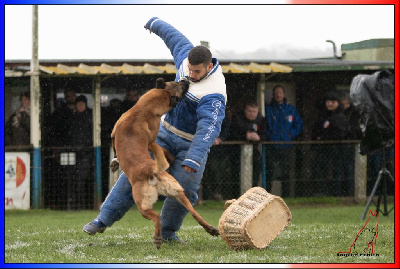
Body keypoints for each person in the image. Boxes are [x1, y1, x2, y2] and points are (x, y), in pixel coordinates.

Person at [83, 17, 227, 243]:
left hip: (190, 145)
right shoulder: (187, 58)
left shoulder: (214, 93)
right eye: (189, 69)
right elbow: (174, 39)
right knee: (135, 173)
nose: (190, 74)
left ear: (210, 67)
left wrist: (195, 158)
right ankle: (102, 219)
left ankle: (168, 233)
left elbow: (208, 129)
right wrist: (154, 23)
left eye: (196, 71)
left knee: (185, 190)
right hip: (164, 134)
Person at [265, 85, 303, 197]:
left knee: (286, 172)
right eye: (276, 92)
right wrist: (270, 135)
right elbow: (264, 126)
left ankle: (286, 197)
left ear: (284, 94)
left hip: (287, 146)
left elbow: (299, 124)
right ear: (273, 95)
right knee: (269, 172)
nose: (278, 94)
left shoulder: (291, 109)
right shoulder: (268, 109)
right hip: (272, 146)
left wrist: (291, 134)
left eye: (280, 92)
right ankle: (266, 197)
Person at [312, 91, 347, 196]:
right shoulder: (322, 115)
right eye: (328, 101)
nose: (330, 104)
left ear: (337, 103)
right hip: (323, 149)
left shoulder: (340, 116)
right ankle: (322, 192)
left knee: (337, 171)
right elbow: (316, 130)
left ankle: (337, 193)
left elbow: (340, 133)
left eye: (332, 101)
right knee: (321, 170)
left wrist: (324, 137)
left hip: (337, 149)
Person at [229, 99, 266, 187]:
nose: (251, 113)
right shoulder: (237, 119)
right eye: (249, 111)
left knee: (256, 170)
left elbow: (267, 135)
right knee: (236, 172)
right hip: (237, 151)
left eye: (254, 111)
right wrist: (245, 136)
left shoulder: (261, 120)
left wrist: (259, 137)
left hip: (255, 150)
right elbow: (232, 133)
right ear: (245, 110)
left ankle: (253, 192)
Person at [68, 95, 93, 209]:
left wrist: (84, 147)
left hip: (85, 153)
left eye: (82, 104)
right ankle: (73, 205)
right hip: (74, 153)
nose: (80, 106)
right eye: (78, 104)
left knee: (82, 180)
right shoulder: (71, 119)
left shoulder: (90, 118)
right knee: (72, 179)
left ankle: (82, 204)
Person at [201, 116, 231, 201]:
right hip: (205, 149)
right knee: (206, 172)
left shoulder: (223, 115)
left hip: (219, 151)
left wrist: (221, 138)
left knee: (218, 172)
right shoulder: (206, 113)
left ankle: (216, 193)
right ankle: (205, 196)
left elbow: (227, 128)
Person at [340, 94, 362, 196]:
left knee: (350, 168)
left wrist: (350, 133)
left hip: (352, 143)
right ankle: (344, 192)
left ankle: (350, 192)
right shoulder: (341, 112)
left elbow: (356, 129)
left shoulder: (355, 113)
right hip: (343, 144)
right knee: (343, 169)